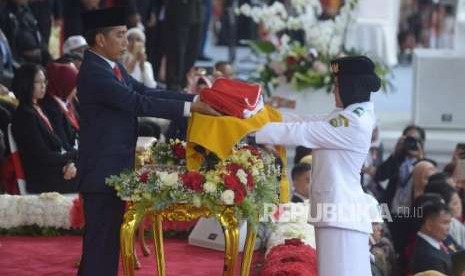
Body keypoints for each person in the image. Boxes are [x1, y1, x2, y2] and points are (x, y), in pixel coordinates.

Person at [76, 7, 219, 276]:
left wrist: (195, 99)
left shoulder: (112, 66)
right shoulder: (94, 72)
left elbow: (145, 89)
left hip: (114, 166)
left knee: (106, 246)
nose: (125, 42)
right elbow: (137, 102)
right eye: (119, 35)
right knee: (99, 245)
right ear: (100, 39)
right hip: (100, 169)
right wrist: (191, 109)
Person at [254, 56, 381, 275]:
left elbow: (304, 132)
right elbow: (305, 120)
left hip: (341, 215)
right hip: (335, 213)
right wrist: (263, 116)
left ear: (351, 87)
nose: (333, 91)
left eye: (337, 86)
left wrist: (252, 133)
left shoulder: (353, 121)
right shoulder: (349, 113)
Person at [11, 63, 78, 193]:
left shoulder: (39, 109)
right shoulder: (25, 115)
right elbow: (43, 156)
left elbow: (58, 146)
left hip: (57, 170)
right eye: (38, 82)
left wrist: (70, 162)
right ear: (26, 83)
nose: (43, 86)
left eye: (44, 81)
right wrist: (75, 156)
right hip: (44, 179)